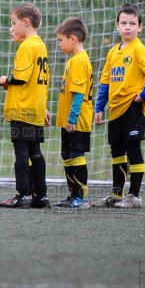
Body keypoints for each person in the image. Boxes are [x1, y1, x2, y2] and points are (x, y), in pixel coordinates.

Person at [92, 3, 145, 209]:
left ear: (140, 27)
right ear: (117, 26)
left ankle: (134, 196)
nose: (128, 27)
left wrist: (142, 95)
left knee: (133, 151)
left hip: (131, 108)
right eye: (124, 23)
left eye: (133, 23)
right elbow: (105, 82)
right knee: (117, 153)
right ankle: (116, 194)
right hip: (115, 110)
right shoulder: (113, 52)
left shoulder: (139, 49)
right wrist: (99, 107)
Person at [0, 3, 50, 209]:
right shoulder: (41, 45)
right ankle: (41, 195)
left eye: (14, 23)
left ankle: (22, 194)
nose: (12, 27)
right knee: (35, 151)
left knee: (21, 152)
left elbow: (20, 77)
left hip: (22, 108)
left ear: (26, 22)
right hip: (36, 107)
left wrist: (5, 79)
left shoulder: (26, 46)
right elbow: (40, 80)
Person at [53, 17, 93, 209]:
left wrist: (72, 117)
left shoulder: (78, 61)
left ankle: (82, 196)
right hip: (68, 119)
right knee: (66, 154)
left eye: (61, 40)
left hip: (76, 120)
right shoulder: (74, 60)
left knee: (76, 154)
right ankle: (73, 195)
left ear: (72, 38)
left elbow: (78, 94)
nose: (59, 44)